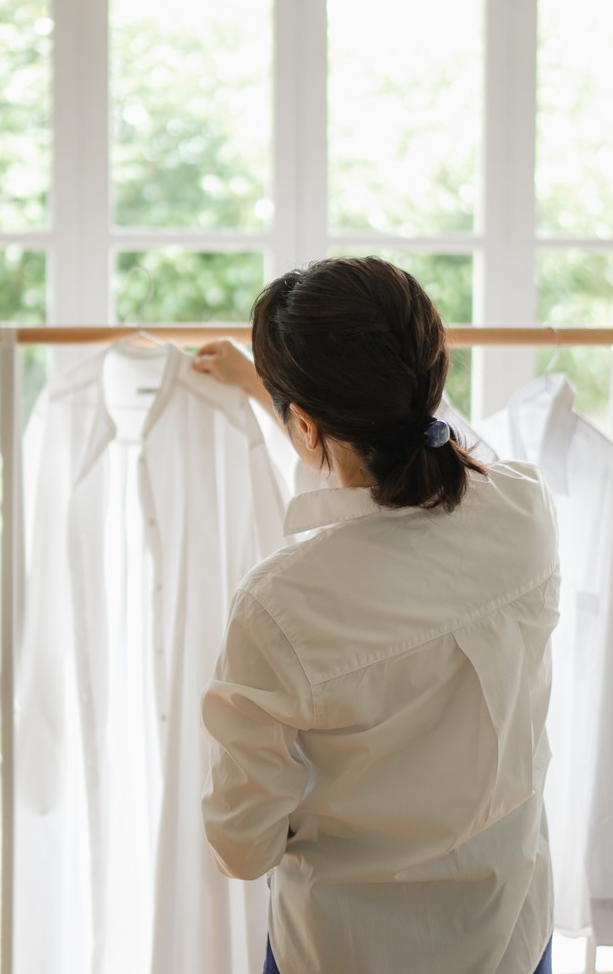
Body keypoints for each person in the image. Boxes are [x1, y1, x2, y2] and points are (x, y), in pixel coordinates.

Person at [193, 256, 559, 974]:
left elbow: (243, 846)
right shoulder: (526, 511)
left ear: (304, 426)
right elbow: (425, 456)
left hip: (351, 950)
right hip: (512, 932)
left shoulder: (279, 604)